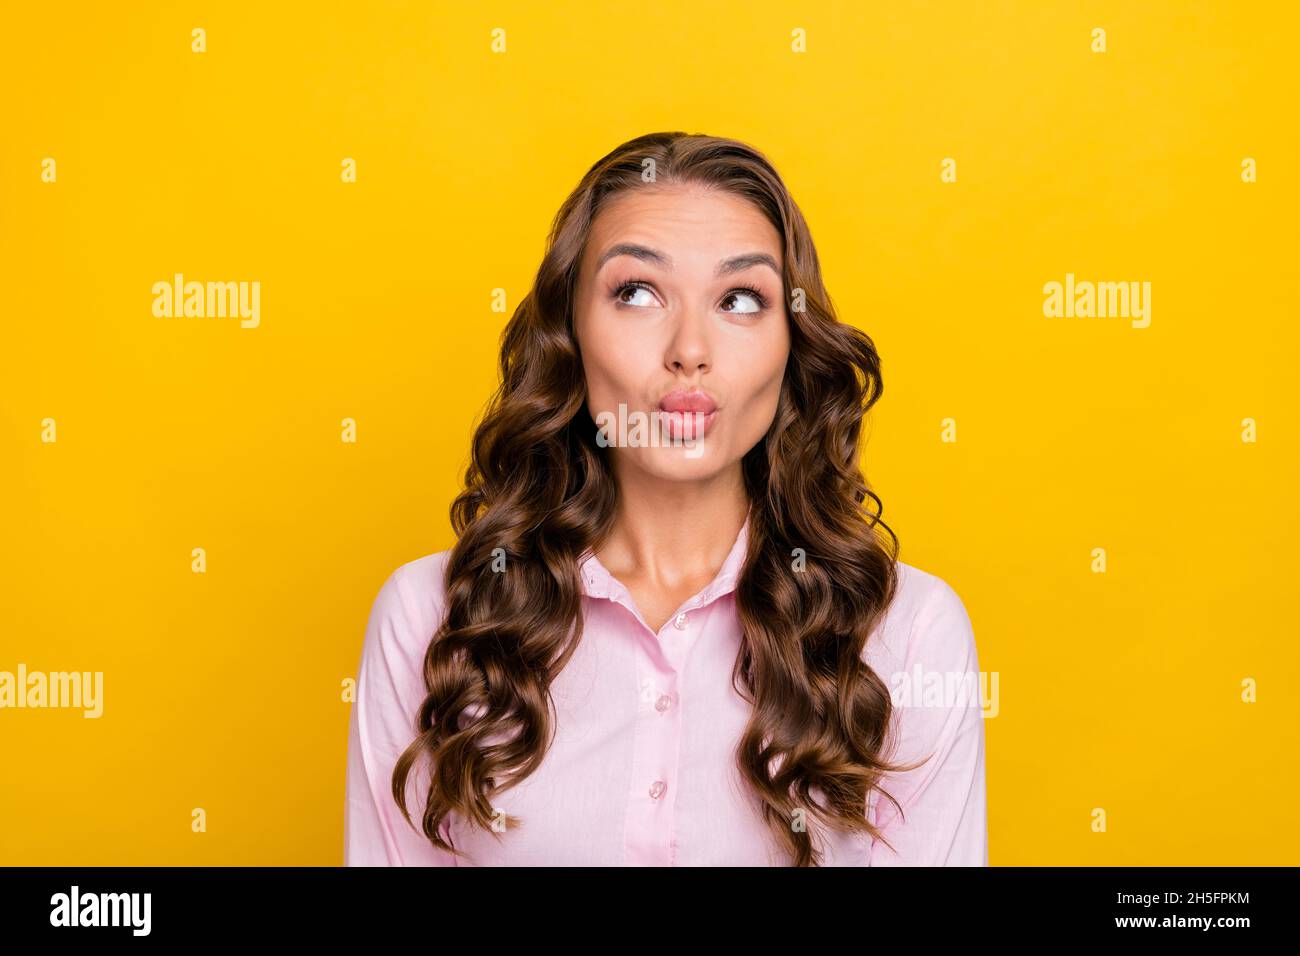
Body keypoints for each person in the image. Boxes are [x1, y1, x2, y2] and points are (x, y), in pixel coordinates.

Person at [344, 131, 987, 866]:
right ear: (570, 332)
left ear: (791, 342)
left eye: (740, 298)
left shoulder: (907, 635)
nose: (689, 348)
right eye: (637, 292)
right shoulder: (431, 618)